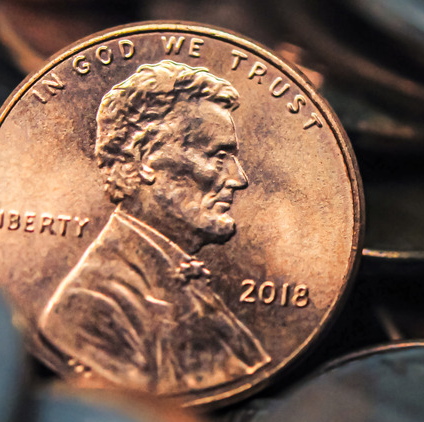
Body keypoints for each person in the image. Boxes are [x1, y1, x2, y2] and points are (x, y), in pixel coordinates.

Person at [38, 60, 271, 395]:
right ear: (146, 159)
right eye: (219, 157)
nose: (239, 179)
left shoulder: (187, 283)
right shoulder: (91, 305)